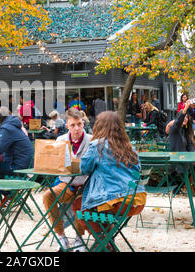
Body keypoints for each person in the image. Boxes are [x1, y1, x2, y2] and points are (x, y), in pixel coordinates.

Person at [74, 111, 146, 252]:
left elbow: (84, 168)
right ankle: (107, 240)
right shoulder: (130, 147)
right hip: (136, 201)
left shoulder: (98, 146)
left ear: (99, 127)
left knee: (78, 204)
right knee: (100, 208)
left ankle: (103, 240)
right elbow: (137, 170)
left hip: (115, 202)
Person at [42, 108, 92, 252]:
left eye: (79, 124)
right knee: (47, 195)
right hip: (66, 184)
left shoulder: (91, 140)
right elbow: (53, 165)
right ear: (67, 126)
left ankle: (78, 238)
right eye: (72, 125)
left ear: (83, 123)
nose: (76, 128)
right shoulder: (60, 140)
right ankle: (61, 236)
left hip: (86, 186)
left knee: (79, 201)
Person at [168, 100, 195, 179]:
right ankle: (188, 184)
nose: (185, 119)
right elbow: (178, 121)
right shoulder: (174, 128)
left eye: (187, 118)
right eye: (184, 117)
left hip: (184, 158)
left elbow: (189, 145)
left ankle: (191, 184)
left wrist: (193, 154)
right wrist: (184, 110)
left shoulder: (185, 130)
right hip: (175, 160)